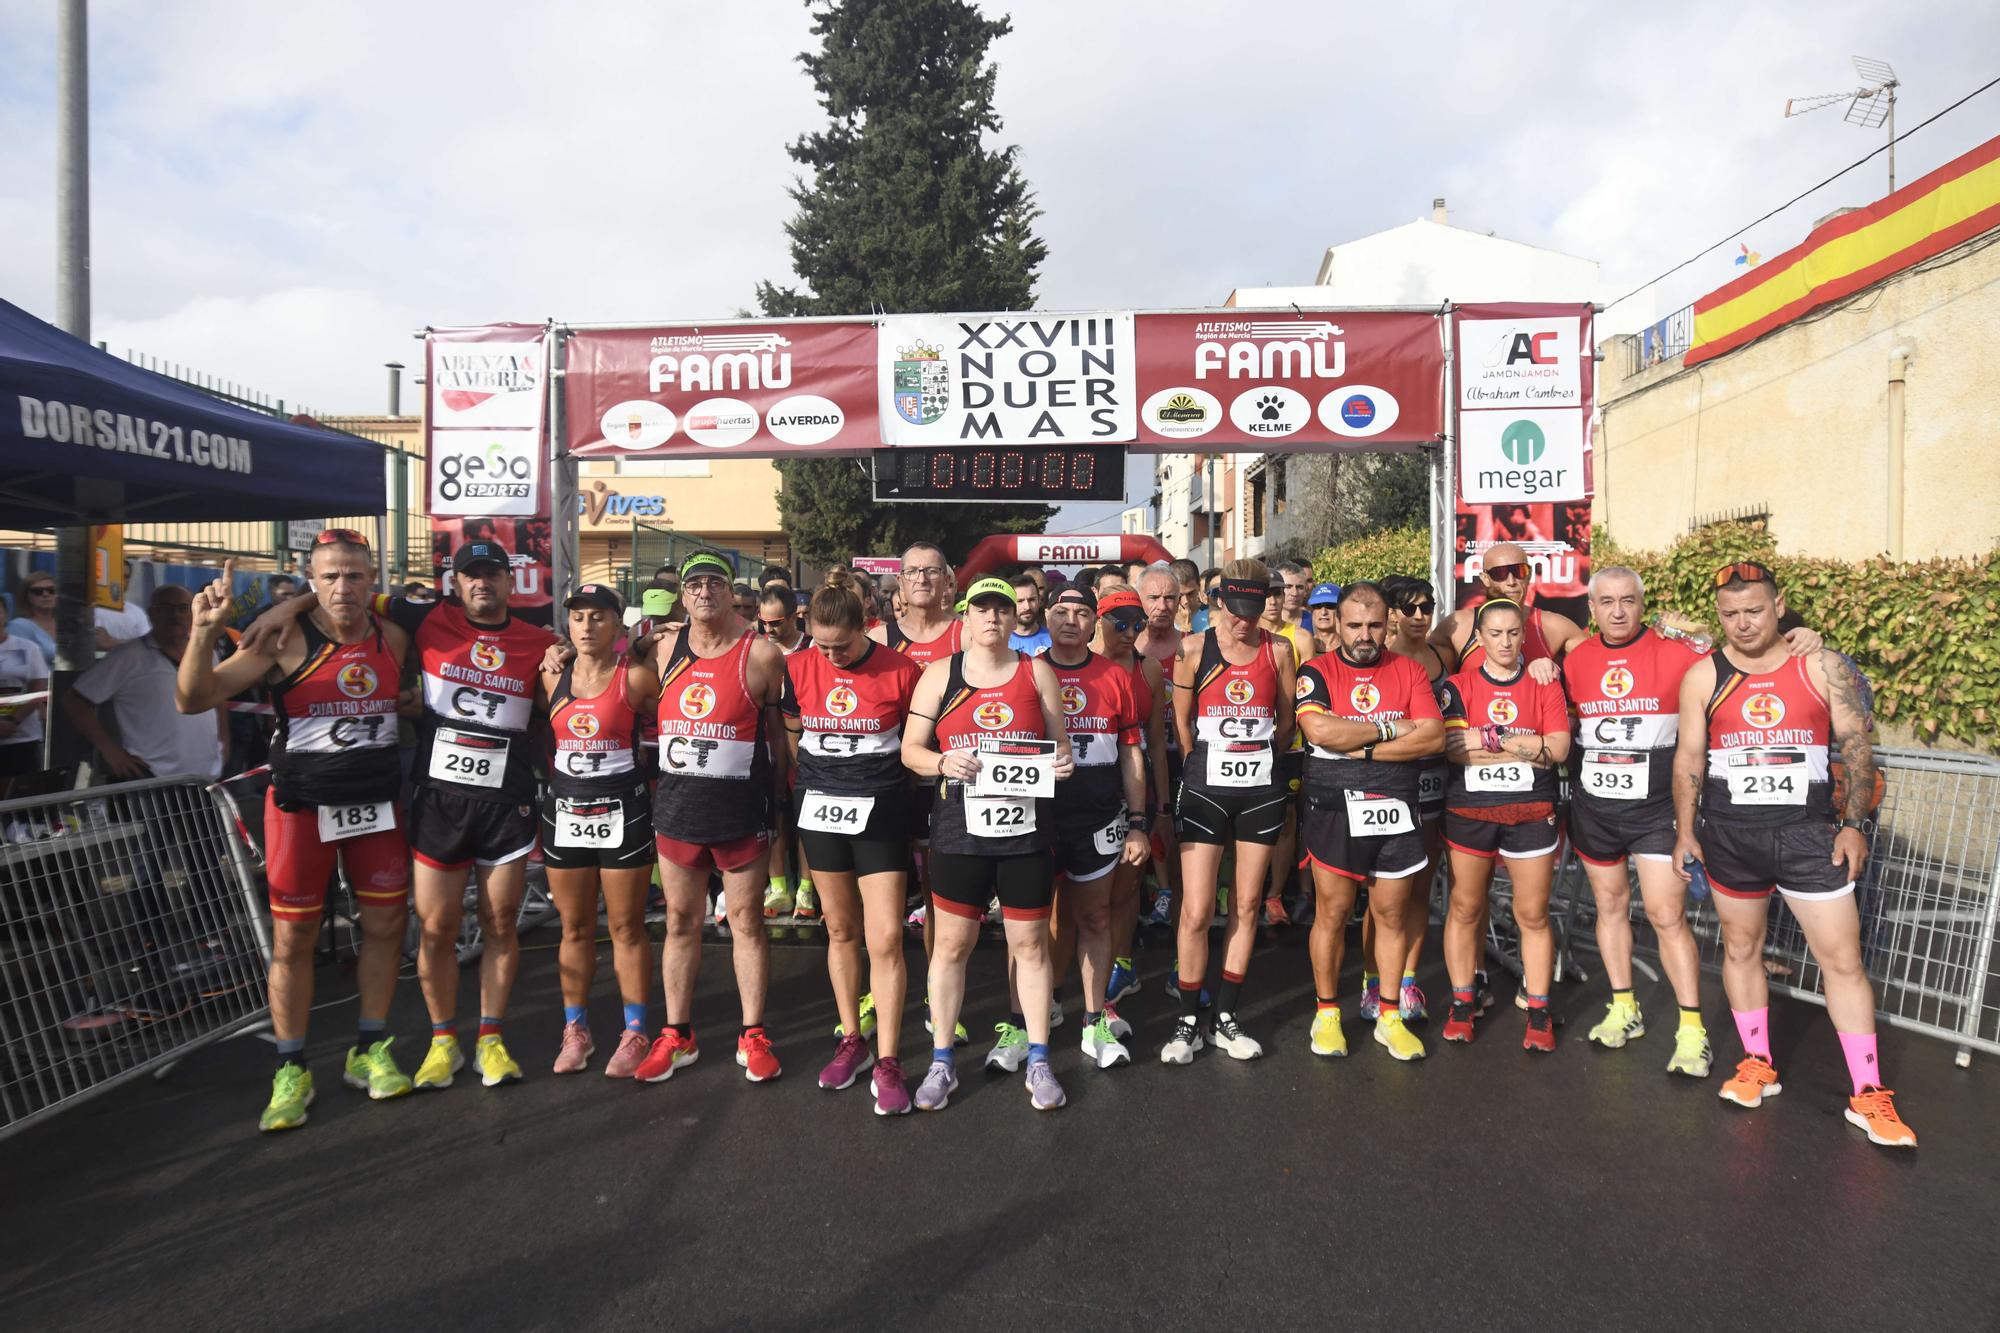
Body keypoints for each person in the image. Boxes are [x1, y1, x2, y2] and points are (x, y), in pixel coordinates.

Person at [253, 536, 559, 1090]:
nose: (482, 583)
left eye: (492, 574)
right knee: (437, 928)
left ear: (509, 582)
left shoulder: (539, 639)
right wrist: (288, 603)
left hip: (504, 800)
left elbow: (582, 665)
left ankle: (491, 1039)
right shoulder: (424, 619)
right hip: (440, 800)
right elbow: (345, 594)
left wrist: (568, 655)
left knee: (500, 923)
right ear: (456, 582)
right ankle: (444, 1042)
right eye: (472, 575)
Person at [1671, 561, 1915, 1147]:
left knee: (1843, 960)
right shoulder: (1704, 676)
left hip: (1808, 836)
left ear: (1779, 607)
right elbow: (1688, 760)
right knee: (1742, 947)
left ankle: (1867, 1094)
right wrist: (1685, 831)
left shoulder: (1821, 666)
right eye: (1730, 613)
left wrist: (1855, 824)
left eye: (1754, 610)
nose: (1743, 623)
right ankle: (1757, 1062)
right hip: (1731, 836)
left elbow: (1857, 745)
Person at [176, 535, 412, 1130]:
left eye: (356, 576)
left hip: (374, 804)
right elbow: (193, 698)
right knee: (293, 939)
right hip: (301, 807)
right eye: (330, 577)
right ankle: (292, 1067)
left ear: (373, 578)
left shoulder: (395, 635)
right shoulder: (283, 639)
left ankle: (371, 1047)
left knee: (385, 926)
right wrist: (204, 632)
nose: (343, 588)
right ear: (311, 578)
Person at [900, 577, 1076, 1112]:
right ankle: (941, 1061)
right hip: (959, 830)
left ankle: (1040, 1058)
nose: (993, 618)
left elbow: (1062, 747)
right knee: (952, 946)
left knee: (1029, 946)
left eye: (1002, 608)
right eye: (983, 609)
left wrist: (1062, 763)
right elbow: (910, 750)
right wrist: (941, 762)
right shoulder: (940, 674)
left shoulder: (1035, 671)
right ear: (966, 616)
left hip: (1024, 831)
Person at [631, 551, 791, 1085]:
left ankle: (753, 1033)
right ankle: (678, 1035)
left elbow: (775, 738)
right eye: (694, 584)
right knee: (680, 922)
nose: (704, 592)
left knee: (746, 922)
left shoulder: (762, 653)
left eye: (714, 583)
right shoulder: (660, 648)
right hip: (677, 810)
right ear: (682, 595)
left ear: (730, 591)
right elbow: (613, 671)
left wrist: (778, 802)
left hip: (741, 811)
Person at [1564, 567, 1716, 1077]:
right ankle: (1624, 1007)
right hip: (1596, 810)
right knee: (1609, 906)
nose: (1618, 610)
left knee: (1665, 915)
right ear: (1592, 608)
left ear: (1642, 603)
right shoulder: (1577, 659)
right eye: (1606, 601)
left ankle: (1692, 1030)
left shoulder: (1677, 652)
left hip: (1656, 812)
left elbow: (1737, 654)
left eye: (1628, 600)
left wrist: (1700, 629)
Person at [783, 575, 924, 1114]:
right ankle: (851, 1040)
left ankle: (889, 1059)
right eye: (821, 645)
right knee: (839, 929)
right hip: (819, 809)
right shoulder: (796, 669)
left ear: (866, 627)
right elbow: (793, 735)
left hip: (881, 809)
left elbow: (915, 744)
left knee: (885, 937)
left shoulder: (901, 670)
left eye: (841, 645)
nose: (831, 655)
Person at [1295, 582, 1444, 1062]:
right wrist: (1388, 730)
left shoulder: (1409, 670)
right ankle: (1327, 1013)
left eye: (1375, 625)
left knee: (1392, 916)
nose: (1364, 634)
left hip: (1395, 807)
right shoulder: (1316, 669)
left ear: (1389, 624)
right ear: (1337, 623)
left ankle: (1389, 1016)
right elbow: (1318, 729)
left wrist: (1356, 746)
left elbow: (1432, 738)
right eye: (1355, 624)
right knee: (1333, 915)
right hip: (1334, 809)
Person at [1165, 559, 1296, 1064]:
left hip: (1260, 787)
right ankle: (1186, 1020)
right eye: (1237, 609)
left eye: (1255, 610)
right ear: (1218, 602)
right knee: (1197, 909)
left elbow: (1285, 724)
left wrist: (1255, 755)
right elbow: (1180, 726)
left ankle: (1225, 1016)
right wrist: (1204, 764)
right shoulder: (1194, 648)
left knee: (1245, 905)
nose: (1245, 620)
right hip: (1205, 788)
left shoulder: (1279, 650)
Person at [1437, 599, 1571, 1052]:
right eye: (1495, 633)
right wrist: (1522, 743)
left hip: (1531, 810)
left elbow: (1558, 748)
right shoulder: (1458, 685)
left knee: (1531, 914)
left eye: (1514, 633)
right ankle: (1461, 1002)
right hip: (1470, 812)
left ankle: (1538, 1009)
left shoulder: (1544, 683)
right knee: (1465, 908)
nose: (1506, 642)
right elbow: (1454, 747)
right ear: (1479, 637)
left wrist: (1488, 737)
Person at [540, 583, 660, 1079]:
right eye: (578, 618)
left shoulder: (635, 677)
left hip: (622, 812)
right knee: (574, 927)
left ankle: (635, 1031)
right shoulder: (550, 675)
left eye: (597, 618)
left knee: (626, 926)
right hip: (566, 809)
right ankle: (576, 1030)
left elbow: (668, 720)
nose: (586, 627)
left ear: (617, 625)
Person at [1039, 586, 1149, 1070]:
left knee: (1096, 919)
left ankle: (1094, 1019)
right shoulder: (1026, 672)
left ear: (1094, 622)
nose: (1070, 620)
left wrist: (1140, 823)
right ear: (1046, 616)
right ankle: (1030, 1020)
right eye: (1060, 611)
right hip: (1036, 818)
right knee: (1034, 927)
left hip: (1098, 817)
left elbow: (1132, 754)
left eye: (1082, 612)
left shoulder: (1115, 676)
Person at [1370, 574, 1452, 1021]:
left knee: (1420, 886)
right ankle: (1372, 980)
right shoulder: (1380, 659)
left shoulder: (1444, 654)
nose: (1421, 616)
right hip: (1386, 781)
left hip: (1434, 781)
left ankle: (1407, 981)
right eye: (1411, 608)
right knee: (1384, 894)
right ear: (1393, 614)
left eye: (1427, 607)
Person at [1092, 587, 1169, 1009]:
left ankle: (1122, 963)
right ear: (1098, 621)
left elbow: (1155, 742)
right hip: (1083, 789)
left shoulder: (1149, 669)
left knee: (1126, 886)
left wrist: (1161, 808)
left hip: (1133, 785)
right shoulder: (1078, 662)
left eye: (1137, 625)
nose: (1129, 632)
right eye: (1119, 623)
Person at [65, 584, 225, 782]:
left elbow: (218, 698)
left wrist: (224, 743)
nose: (175, 615)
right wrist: (110, 751)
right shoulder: (127, 657)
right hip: (149, 777)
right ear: (152, 614)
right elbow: (74, 701)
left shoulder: (207, 653)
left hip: (205, 776)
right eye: (166, 608)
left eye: (182, 608)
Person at [755, 585, 818, 922]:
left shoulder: (815, 647)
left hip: (805, 744)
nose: (769, 630)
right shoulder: (754, 647)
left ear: (796, 616)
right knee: (773, 815)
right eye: (763, 622)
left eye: (777, 622)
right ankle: (780, 885)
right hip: (764, 743)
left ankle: (807, 887)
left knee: (807, 819)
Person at [1134, 563, 1185, 928]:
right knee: (1145, 827)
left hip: (1183, 752)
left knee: (1180, 830)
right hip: (1139, 753)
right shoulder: (1124, 647)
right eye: (1153, 597)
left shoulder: (1192, 646)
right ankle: (1156, 892)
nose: (1162, 605)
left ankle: (1181, 894)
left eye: (1170, 597)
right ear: (1138, 600)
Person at [1257, 578, 1309, 926]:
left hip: (1290, 746)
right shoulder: (1236, 636)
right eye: (1267, 595)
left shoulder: (1302, 638)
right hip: (1248, 745)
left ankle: (1274, 896)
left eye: (1278, 593)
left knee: (1287, 819)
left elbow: (1310, 696)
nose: (1274, 601)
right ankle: (1240, 891)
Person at [0, 614, 50, 792]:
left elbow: (37, 688)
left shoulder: (28, 648)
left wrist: (12, 721)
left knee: (19, 792)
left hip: (22, 736)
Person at [95, 559, 152, 652]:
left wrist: (112, 641)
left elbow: (147, 644)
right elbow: (98, 643)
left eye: (126, 577)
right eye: (118, 575)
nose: (122, 580)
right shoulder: (91, 609)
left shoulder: (137, 613)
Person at [7, 571, 59, 660]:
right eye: (38, 591)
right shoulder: (18, 626)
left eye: (51, 590)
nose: (45, 594)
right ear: (27, 597)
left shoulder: (68, 623)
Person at [1008, 570, 1052, 656]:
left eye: (1031, 600)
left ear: (1039, 600)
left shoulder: (1053, 640)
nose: (1027, 607)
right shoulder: (1000, 641)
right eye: (1020, 601)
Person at [1277, 559, 1315, 632]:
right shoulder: (1260, 623)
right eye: (1288, 586)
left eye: (1299, 587)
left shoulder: (1315, 623)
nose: (1294, 593)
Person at [1306, 580, 1341, 655]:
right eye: (1317, 606)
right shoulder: (1302, 645)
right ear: (1311, 610)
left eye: (1330, 606)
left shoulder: (1349, 647)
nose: (1323, 612)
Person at [1169, 558, 1203, 632]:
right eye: (1179, 595)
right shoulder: (1163, 618)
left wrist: (1186, 628)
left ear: (1199, 586)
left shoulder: (1212, 615)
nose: (1185, 601)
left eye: (1190, 594)